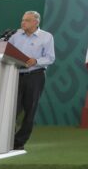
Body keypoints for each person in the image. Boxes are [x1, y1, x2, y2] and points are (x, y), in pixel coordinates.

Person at [8, 11, 55, 150]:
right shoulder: (15, 37)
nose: (23, 23)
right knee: (11, 109)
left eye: (27, 20)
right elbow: (7, 52)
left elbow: (50, 58)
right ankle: (5, 139)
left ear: (36, 22)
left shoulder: (46, 37)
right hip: (16, 75)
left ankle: (18, 142)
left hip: (35, 75)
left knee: (30, 110)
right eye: (22, 20)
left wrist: (36, 61)